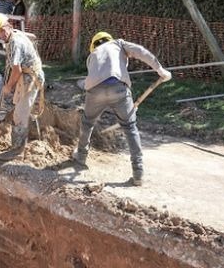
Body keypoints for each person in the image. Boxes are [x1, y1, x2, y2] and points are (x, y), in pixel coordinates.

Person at [72, 31, 172, 186]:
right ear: (108, 39)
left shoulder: (92, 56)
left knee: (87, 123)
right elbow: (141, 52)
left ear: (94, 46)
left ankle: (81, 156)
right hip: (119, 89)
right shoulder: (118, 43)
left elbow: (92, 78)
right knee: (130, 127)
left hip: (94, 91)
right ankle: (138, 174)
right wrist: (159, 69)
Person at [0, 13, 44, 160]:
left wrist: (8, 86)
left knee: (19, 114)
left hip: (30, 77)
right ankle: (32, 136)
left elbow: (17, 70)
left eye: (1, 30)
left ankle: (17, 150)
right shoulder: (15, 35)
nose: (0, 35)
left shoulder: (15, 42)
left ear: (9, 25)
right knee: (20, 107)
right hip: (26, 75)